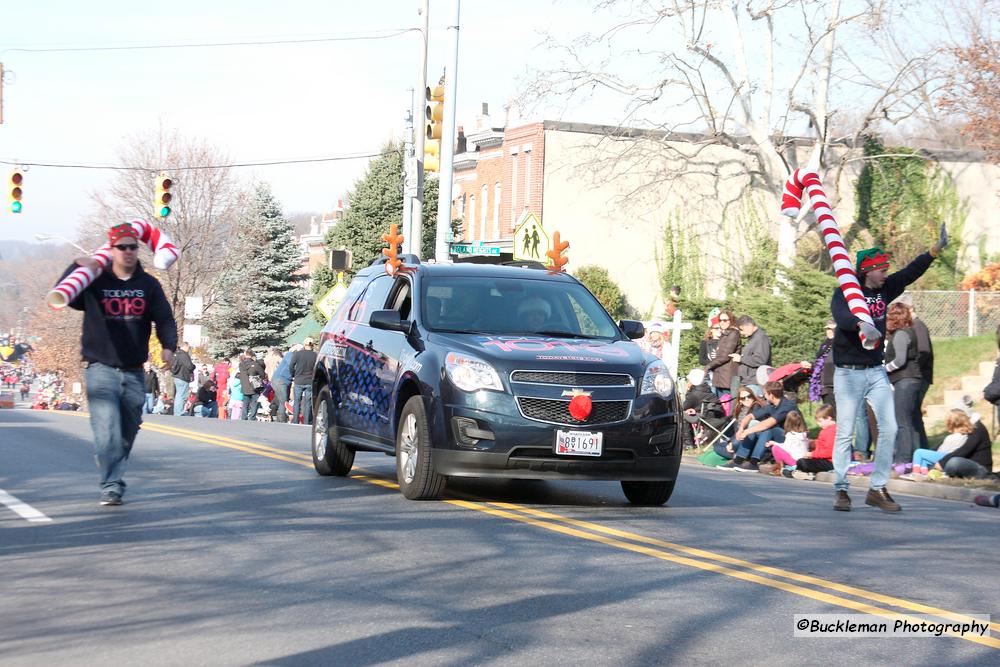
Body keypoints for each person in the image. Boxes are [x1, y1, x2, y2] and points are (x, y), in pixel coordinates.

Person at [55, 223, 177, 506]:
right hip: (99, 367)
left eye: (133, 246)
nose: (128, 252)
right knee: (107, 426)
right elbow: (66, 295)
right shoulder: (96, 280)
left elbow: (165, 318)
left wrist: (169, 346)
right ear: (111, 250)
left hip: (134, 369)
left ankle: (108, 455)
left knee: (130, 426)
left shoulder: (148, 285)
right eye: (122, 247)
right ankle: (111, 484)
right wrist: (75, 266)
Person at [830, 225, 948, 513]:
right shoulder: (846, 291)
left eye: (886, 269)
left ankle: (877, 488)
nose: (886, 273)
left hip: (875, 370)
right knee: (845, 432)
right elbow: (842, 316)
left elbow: (910, 273)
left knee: (890, 427)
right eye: (881, 269)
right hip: (848, 372)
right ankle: (842, 489)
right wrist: (861, 324)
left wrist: (933, 251)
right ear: (868, 270)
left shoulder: (886, 290)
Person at [884, 302, 924, 465]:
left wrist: (884, 369)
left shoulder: (901, 334)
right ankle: (911, 456)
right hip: (909, 380)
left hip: (905, 380)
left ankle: (903, 459)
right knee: (908, 420)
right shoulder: (907, 332)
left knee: (902, 421)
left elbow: (900, 360)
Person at [894, 293, 934, 450]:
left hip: (919, 377)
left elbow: (924, 351)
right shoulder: (912, 327)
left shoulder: (918, 326)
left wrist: (912, 368)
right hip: (916, 376)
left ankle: (920, 450)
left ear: (909, 309)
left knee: (912, 416)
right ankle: (918, 450)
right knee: (912, 415)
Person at [727, 381, 795, 471]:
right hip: (777, 434)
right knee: (755, 425)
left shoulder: (787, 406)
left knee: (768, 429)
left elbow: (768, 424)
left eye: (765, 394)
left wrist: (746, 431)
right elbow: (750, 416)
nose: (763, 396)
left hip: (792, 437)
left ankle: (754, 462)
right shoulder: (772, 405)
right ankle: (738, 460)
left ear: (771, 395)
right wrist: (741, 429)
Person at [905, 408, 973, 478]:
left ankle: (915, 473)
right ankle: (924, 474)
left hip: (945, 456)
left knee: (919, 452)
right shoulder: (964, 436)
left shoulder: (952, 437)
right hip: (950, 458)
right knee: (924, 460)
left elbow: (943, 450)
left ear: (950, 423)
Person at [934, 412, 993, 479]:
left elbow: (965, 449)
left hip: (980, 469)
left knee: (954, 462)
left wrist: (942, 462)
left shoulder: (977, 428)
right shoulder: (965, 428)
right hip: (965, 464)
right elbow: (943, 444)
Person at [732, 315, 771, 398]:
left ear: (749, 325)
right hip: (748, 381)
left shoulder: (761, 338)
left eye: (741, 330)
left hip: (755, 382)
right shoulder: (753, 338)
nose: (741, 333)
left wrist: (741, 359)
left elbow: (760, 360)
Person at [704, 309, 739, 399]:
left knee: (726, 408)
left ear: (731, 320)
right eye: (720, 320)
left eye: (725, 320)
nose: (722, 322)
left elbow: (724, 356)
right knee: (720, 409)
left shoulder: (733, 334)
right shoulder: (725, 334)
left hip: (727, 378)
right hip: (720, 377)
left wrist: (708, 366)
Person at [291, 337, 317, 425]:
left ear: (304, 345)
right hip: (309, 381)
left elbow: (291, 366)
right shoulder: (315, 355)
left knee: (297, 402)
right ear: (312, 345)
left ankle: (295, 421)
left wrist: (293, 375)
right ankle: (306, 422)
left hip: (298, 380)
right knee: (308, 403)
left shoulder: (298, 354)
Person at [271, 344, 300, 423]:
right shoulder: (290, 355)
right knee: (283, 401)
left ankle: (278, 417)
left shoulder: (292, 356)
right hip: (280, 380)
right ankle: (281, 421)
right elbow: (292, 365)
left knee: (283, 400)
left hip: (285, 381)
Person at [238, 349, 266, 421]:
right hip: (254, 387)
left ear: (246, 355)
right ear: (252, 355)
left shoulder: (241, 365)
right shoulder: (255, 364)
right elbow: (262, 374)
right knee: (254, 403)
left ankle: (244, 417)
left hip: (244, 387)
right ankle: (252, 418)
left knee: (245, 404)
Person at [170, 342, 195, 416]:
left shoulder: (176, 354)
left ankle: (177, 411)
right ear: (185, 346)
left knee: (178, 394)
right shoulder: (183, 354)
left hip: (176, 376)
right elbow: (189, 366)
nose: (189, 349)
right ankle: (179, 412)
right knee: (182, 395)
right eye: (188, 347)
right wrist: (194, 366)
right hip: (183, 377)